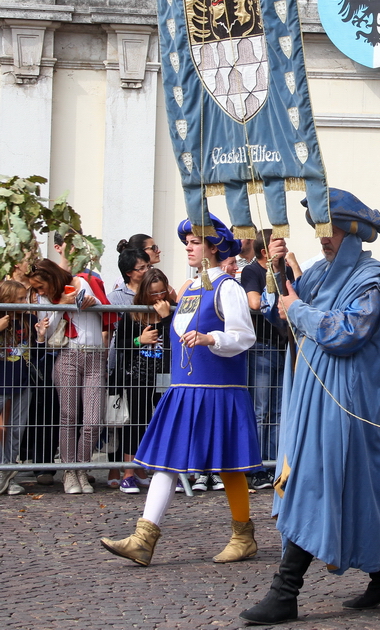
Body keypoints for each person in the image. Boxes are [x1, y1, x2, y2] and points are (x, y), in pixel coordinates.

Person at [240, 189, 380, 625]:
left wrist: (297, 310)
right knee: (340, 488)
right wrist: (276, 272)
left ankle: (285, 592)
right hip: (316, 398)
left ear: (352, 233)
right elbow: (285, 316)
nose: (323, 238)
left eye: (330, 230)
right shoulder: (318, 274)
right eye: (319, 230)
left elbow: (346, 331)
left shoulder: (373, 279)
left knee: (314, 483)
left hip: (351, 405)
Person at [100, 214, 260, 566]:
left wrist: (210, 338)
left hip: (219, 390)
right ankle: (143, 539)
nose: (187, 247)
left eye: (195, 242)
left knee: (229, 465)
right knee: (166, 463)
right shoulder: (189, 289)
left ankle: (243, 535)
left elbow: (245, 336)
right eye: (186, 241)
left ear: (213, 247)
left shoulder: (228, 288)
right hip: (186, 389)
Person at [28, 258, 105, 494]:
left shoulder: (82, 281)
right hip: (67, 355)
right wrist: (61, 304)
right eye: (37, 289)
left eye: (41, 286)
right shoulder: (45, 299)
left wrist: (90, 302)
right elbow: (47, 331)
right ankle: (69, 471)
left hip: (94, 355)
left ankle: (80, 467)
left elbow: (100, 311)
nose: (40, 292)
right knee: (68, 416)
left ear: (51, 278)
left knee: (93, 419)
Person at [112, 268, 174, 494]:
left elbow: (177, 338)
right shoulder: (132, 313)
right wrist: (140, 339)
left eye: (162, 292)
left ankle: (160, 470)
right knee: (136, 420)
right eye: (153, 293)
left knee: (163, 421)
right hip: (137, 375)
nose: (158, 297)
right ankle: (129, 472)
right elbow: (120, 345)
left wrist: (167, 318)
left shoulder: (172, 311)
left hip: (164, 374)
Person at [240, 229, 291, 490]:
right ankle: (256, 466)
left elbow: (296, 295)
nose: (283, 249)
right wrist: (276, 302)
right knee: (260, 410)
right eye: (277, 245)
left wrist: (289, 265)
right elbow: (253, 302)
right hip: (261, 347)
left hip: (283, 347)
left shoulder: (287, 270)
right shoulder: (252, 271)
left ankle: (274, 464)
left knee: (280, 410)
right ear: (264, 252)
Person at [0, 279, 44, 496]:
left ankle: (9, 473)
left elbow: (37, 354)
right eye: (19, 299)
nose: (24, 302)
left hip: (21, 381)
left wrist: (41, 338)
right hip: (1, 380)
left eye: (25, 297)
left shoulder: (30, 319)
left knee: (16, 429)